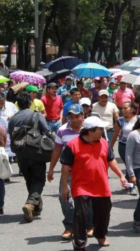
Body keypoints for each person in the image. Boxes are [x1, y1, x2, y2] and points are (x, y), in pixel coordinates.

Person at [58, 116, 127, 250]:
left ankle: (100, 234)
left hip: (101, 185)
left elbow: (111, 160)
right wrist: (64, 187)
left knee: (104, 213)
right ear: (90, 131)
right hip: (81, 186)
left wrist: (121, 175)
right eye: (100, 129)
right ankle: (79, 243)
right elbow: (65, 167)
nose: (102, 131)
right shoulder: (72, 145)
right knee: (80, 215)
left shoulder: (104, 143)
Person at [47, 104, 94, 240]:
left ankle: (90, 225)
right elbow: (57, 150)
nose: (75, 120)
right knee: (64, 198)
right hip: (68, 172)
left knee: (89, 199)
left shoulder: (89, 129)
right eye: (71, 117)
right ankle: (69, 226)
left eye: (77, 116)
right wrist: (50, 169)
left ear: (83, 116)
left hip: (87, 171)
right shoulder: (62, 130)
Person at [8, 92, 52, 222]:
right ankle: (31, 203)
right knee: (39, 180)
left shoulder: (13, 119)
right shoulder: (36, 115)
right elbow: (46, 131)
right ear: (30, 103)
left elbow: (11, 135)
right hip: (36, 152)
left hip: (20, 154)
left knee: (29, 179)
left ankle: (35, 207)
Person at [110, 100, 138, 196]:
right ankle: (132, 186)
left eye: (126, 108)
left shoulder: (139, 119)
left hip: (137, 146)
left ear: (132, 109)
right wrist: (111, 146)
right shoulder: (120, 120)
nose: (123, 110)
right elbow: (115, 134)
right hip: (124, 146)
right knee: (129, 165)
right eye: (122, 108)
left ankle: (129, 183)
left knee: (133, 165)